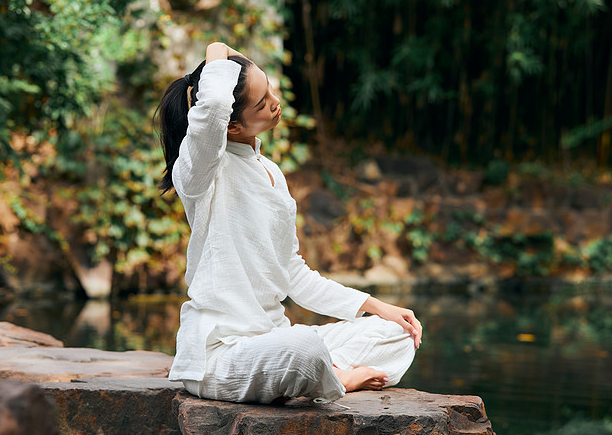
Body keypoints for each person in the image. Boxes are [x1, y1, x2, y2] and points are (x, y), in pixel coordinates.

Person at [156, 42, 422, 404]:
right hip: (221, 357)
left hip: (272, 340)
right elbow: (215, 106)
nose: (275, 102)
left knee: (397, 333)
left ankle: (323, 375)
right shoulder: (201, 171)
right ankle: (336, 378)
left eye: (271, 91)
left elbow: (292, 272)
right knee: (304, 350)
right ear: (231, 126)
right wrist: (217, 49)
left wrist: (377, 306)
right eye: (262, 103)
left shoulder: (270, 172)